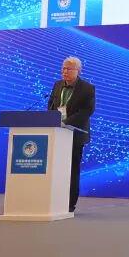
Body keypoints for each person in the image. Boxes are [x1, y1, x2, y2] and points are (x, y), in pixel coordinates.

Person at [47, 56, 95, 213]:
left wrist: (66, 123)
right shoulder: (57, 85)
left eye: (68, 69)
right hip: (56, 134)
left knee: (72, 169)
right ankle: (53, 200)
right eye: (63, 68)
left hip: (75, 135)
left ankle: (69, 203)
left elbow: (87, 111)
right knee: (55, 169)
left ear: (78, 71)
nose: (64, 71)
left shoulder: (87, 88)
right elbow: (51, 106)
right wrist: (51, 121)